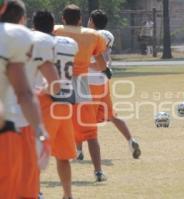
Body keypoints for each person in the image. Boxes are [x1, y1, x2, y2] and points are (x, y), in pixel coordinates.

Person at [1, 1, 58, 198]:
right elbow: (24, 93)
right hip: (12, 125)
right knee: (20, 189)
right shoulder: (20, 37)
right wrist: (40, 132)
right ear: (22, 18)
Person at [75, 9, 141, 161]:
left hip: (89, 83)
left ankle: (79, 151)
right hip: (103, 82)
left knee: (79, 117)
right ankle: (131, 140)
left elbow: (98, 63)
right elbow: (105, 61)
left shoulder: (90, 36)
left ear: (91, 20)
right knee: (111, 115)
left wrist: (82, 66)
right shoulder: (107, 35)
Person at [54, 4, 108, 182]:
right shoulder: (92, 35)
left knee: (50, 130)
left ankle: (37, 174)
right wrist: (107, 71)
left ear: (63, 18)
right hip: (81, 87)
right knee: (90, 133)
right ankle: (98, 171)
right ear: (80, 19)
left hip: (59, 85)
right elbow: (101, 64)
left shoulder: (55, 31)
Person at [33, 11, 79, 199]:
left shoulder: (37, 42)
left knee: (33, 153)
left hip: (45, 99)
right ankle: (67, 195)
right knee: (63, 155)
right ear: (53, 26)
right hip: (65, 102)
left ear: (34, 26)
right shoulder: (69, 43)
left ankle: (35, 192)